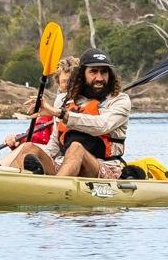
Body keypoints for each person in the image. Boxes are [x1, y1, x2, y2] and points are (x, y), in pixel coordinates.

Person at [49, 50, 130, 179]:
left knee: (76, 148)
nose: (99, 78)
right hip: (63, 164)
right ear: (82, 74)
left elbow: (102, 126)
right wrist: (39, 156)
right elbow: (54, 144)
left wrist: (64, 115)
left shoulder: (120, 100)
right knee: (29, 148)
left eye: (104, 72)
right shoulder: (63, 100)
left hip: (105, 167)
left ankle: (52, 190)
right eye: (93, 71)